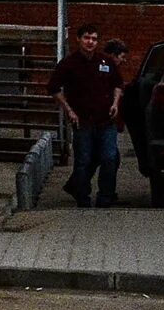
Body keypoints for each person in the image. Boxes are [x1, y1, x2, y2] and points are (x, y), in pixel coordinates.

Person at [49, 23, 126, 208]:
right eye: (87, 38)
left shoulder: (105, 62)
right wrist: (69, 110)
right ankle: (83, 197)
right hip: (82, 121)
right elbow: (53, 88)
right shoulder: (69, 64)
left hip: (105, 120)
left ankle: (105, 197)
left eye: (94, 38)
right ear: (79, 39)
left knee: (109, 157)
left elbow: (118, 84)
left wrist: (115, 103)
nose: (90, 42)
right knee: (84, 160)